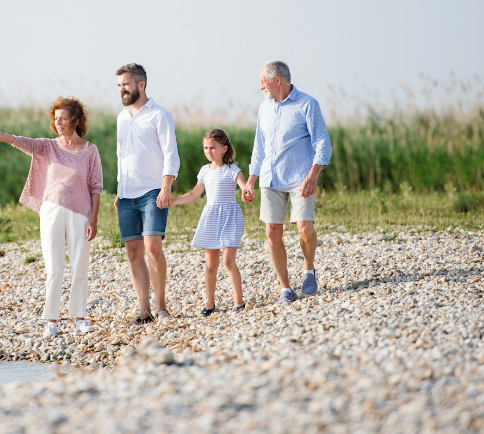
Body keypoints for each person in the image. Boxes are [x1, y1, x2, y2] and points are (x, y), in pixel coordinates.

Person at [0, 97, 103, 337]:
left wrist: (94, 219)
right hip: (51, 212)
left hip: (81, 213)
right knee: (54, 268)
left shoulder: (90, 150)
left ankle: (80, 318)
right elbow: (15, 140)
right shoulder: (47, 146)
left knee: (80, 266)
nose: (58, 123)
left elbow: (96, 186)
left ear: (75, 120)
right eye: (55, 119)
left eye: (63, 119)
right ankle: (51, 321)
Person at [243, 61, 332, 304]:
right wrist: (251, 180)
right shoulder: (264, 108)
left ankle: (309, 268)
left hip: (300, 178)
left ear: (277, 80)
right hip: (270, 179)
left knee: (304, 228)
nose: (260, 86)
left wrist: (313, 175)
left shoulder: (307, 104)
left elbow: (322, 143)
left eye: (263, 81)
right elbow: (258, 147)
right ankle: (286, 288)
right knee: (272, 233)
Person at [114, 63, 179, 324]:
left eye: (126, 85)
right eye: (119, 86)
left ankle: (161, 306)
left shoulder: (160, 115)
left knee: (152, 247)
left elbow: (170, 154)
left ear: (141, 85)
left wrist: (166, 186)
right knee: (132, 251)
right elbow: (121, 157)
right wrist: (119, 190)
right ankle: (144, 310)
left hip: (153, 190)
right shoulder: (121, 118)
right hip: (127, 193)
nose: (122, 90)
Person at [172, 129, 252, 315]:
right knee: (210, 264)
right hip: (211, 218)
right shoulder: (204, 171)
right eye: (206, 148)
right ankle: (210, 304)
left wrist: (247, 192)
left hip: (230, 216)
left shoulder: (233, 170)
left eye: (213, 148)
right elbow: (194, 194)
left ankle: (239, 302)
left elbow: (244, 186)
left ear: (224, 149)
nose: (209, 151)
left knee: (228, 260)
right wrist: (173, 201)